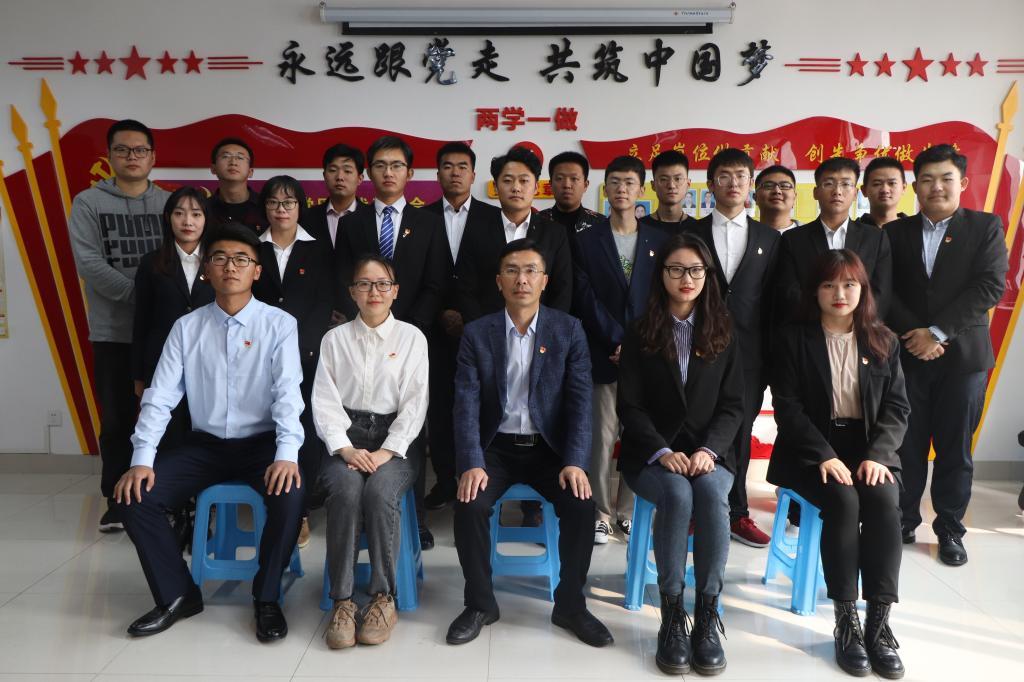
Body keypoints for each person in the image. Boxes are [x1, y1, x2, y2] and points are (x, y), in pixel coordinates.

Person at [113, 222, 305, 642]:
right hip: (204, 446)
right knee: (134, 496)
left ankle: (266, 597)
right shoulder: (187, 328)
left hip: (262, 444)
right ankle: (178, 594)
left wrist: (286, 454)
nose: (230, 267)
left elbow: (288, 394)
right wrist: (141, 460)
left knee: (290, 494)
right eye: (219, 258)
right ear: (206, 269)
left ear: (257, 270)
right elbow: (160, 397)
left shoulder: (279, 324)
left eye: (241, 259)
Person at [446, 239, 612, 649]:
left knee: (581, 505)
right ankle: (480, 604)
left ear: (544, 281)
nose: (521, 279)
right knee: (469, 503)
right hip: (495, 448)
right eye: (512, 270)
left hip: (549, 449)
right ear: (499, 281)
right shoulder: (477, 333)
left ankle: (570, 605)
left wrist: (575, 461)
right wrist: (471, 461)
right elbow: (465, 405)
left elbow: (580, 404)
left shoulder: (567, 330)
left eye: (530, 270)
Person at [770, 249, 909, 678]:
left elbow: (897, 408)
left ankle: (879, 624)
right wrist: (824, 455)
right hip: (811, 450)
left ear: (862, 289)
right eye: (829, 285)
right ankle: (846, 621)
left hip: (868, 449)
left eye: (849, 284)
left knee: (884, 502)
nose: (839, 293)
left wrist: (879, 455)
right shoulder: (793, 338)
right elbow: (788, 409)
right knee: (844, 502)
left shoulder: (882, 339)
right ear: (814, 291)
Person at [617, 233, 743, 676]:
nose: (686, 278)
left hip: (712, 454)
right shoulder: (640, 331)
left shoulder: (724, 331)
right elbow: (629, 406)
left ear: (707, 276)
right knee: (676, 493)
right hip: (652, 454)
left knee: (709, 493)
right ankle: (672, 613)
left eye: (695, 270)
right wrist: (661, 449)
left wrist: (709, 450)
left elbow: (734, 406)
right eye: (676, 270)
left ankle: (707, 614)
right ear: (661, 276)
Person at [886, 144, 1009, 565]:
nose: (936, 187)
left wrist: (937, 332)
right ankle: (902, 520)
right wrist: (916, 334)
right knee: (906, 444)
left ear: (963, 182)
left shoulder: (985, 227)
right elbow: (885, 291)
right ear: (914, 186)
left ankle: (950, 530)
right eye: (927, 179)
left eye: (945, 178)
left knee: (955, 450)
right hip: (908, 356)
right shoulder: (894, 233)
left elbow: (989, 286)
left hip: (963, 361)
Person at [335, 135, 448, 549]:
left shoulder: (429, 222)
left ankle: (415, 521)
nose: (388, 172)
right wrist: (367, 321)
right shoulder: (353, 223)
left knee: (411, 430)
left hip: (410, 339)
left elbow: (436, 282)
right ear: (369, 173)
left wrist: (404, 327)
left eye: (396, 165)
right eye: (380, 165)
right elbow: (342, 278)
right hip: (362, 338)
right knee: (361, 428)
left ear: (410, 173)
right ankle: (367, 520)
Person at [313, 255, 428, 649]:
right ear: (352, 292)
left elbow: (416, 403)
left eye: (382, 284)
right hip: (346, 437)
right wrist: (345, 449)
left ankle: (383, 598)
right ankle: (343, 601)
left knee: (379, 492)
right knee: (345, 492)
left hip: (395, 440)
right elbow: (324, 401)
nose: (374, 291)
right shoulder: (334, 340)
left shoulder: (412, 338)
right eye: (364, 284)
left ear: (395, 291)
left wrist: (387, 451)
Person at [69, 119, 170, 533]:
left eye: (140, 150)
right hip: (113, 331)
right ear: (109, 156)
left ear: (152, 157)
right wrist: (143, 297)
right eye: (123, 150)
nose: (132, 156)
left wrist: (160, 306)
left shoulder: (169, 204)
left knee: (168, 417)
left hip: (164, 333)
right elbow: (89, 263)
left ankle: (163, 496)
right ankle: (116, 499)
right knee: (117, 419)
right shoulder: (88, 203)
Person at [684, 148, 780, 547]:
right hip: (698, 348)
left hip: (750, 355)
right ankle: (694, 510)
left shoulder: (769, 238)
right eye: (724, 176)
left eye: (741, 176)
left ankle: (736, 513)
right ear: (711, 184)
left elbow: (773, 300)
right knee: (696, 427)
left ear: (751, 184)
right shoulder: (690, 234)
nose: (733, 183)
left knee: (740, 433)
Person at [572, 155, 667, 543]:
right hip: (603, 353)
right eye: (614, 182)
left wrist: (638, 344)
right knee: (601, 436)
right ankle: (600, 512)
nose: (621, 189)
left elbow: (663, 299)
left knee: (640, 435)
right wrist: (617, 341)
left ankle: (628, 510)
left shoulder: (659, 241)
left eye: (629, 182)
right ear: (605, 188)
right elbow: (584, 296)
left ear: (641, 189)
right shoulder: (586, 239)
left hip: (647, 355)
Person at [252, 175, 334, 549]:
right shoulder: (253, 248)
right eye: (273, 202)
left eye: (288, 202)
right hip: (258, 356)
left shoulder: (318, 249)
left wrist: (304, 346)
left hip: (307, 356)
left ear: (301, 207)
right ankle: (271, 501)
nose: (281, 209)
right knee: (266, 429)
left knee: (304, 431)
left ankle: (300, 512)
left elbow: (324, 302)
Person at [423, 141, 502, 511]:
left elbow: (497, 276)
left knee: (482, 405)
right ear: (437, 173)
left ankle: (481, 477)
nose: (454, 173)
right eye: (447, 166)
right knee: (439, 407)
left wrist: (470, 319)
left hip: (482, 328)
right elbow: (419, 273)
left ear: (473, 174)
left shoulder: (493, 218)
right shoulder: (420, 218)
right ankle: (444, 480)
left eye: (462, 167)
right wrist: (441, 313)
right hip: (434, 328)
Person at [456, 145, 573, 323]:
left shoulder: (554, 234)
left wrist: (548, 329)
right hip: (487, 330)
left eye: (524, 181)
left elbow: (562, 291)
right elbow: (466, 289)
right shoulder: (475, 230)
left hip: (542, 331)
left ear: (536, 187)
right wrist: (482, 331)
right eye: (508, 180)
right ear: (496, 187)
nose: (516, 188)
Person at [774, 157, 892, 326]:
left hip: (860, 330)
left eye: (846, 184)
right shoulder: (793, 239)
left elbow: (881, 292)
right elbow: (790, 292)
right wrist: (826, 325)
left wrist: (853, 325)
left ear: (855, 193)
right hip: (809, 330)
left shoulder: (876, 238)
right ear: (816, 192)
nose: (837, 191)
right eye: (829, 183)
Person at [305, 143, 369, 247]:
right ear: (324, 176)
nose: (339, 177)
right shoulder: (306, 218)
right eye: (333, 170)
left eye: (347, 171)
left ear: (360, 179)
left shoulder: (372, 218)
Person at [207, 137, 265, 234]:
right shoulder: (203, 208)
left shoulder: (265, 207)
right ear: (213, 168)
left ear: (250, 172)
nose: (233, 162)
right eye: (225, 156)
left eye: (240, 158)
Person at [539, 150, 603, 234]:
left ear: (585, 185)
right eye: (560, 178)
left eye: (574, 179)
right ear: (550, 184)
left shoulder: (601, 224)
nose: (567, 185)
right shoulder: (536, 223)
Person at [642, 149, 692, 234]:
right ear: (653, 185)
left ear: (688, 184)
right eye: (664, 179)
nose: (671, 185)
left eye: (678, 179)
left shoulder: (698, 229)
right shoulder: (639, 227)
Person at [859, 157, 908, 229]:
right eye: (877, 184)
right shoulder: (851, 231)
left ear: (904, 188)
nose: (885, 190)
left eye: (892, 183)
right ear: (864, 190)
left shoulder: (915, 230)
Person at [754, 165, 799, 233]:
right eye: (768, 186)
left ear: (794, 198)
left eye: (785, 186)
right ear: (755, 197)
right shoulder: (742, 234)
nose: (777, 191)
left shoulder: (810, 235)